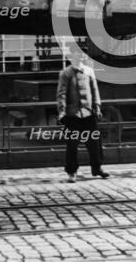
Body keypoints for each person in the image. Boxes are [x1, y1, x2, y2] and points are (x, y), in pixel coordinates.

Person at [56, 50, 108, 183]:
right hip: (72, 115)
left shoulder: (89, 71)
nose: (80, 57)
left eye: (82, 55)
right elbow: (61, 94)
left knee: (94, 143)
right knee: (72, 145)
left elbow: (94, 90)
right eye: (77, 55)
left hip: (88, 114)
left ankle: (97, 168)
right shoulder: (65, 73)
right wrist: (62, 111)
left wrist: (97, 107)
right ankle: (71, 172)